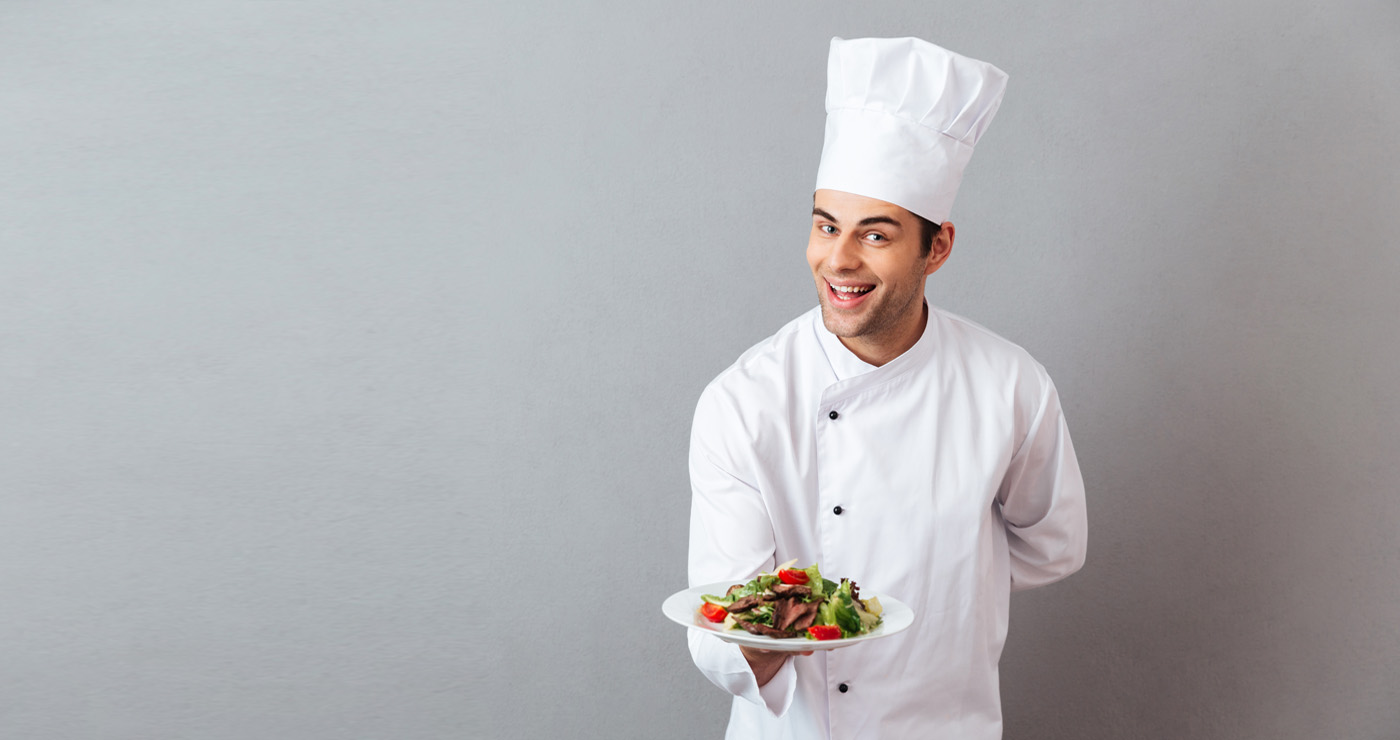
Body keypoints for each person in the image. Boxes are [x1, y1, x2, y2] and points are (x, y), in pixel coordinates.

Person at [686, 36, 1088, 739]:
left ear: (937, 248)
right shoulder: (744, 402)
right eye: (825, 226)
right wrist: (763, 628)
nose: (838, 259)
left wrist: (947, 583)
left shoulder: (1009, 385)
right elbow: (722, 619)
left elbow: (1053, 543)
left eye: (876, 236)